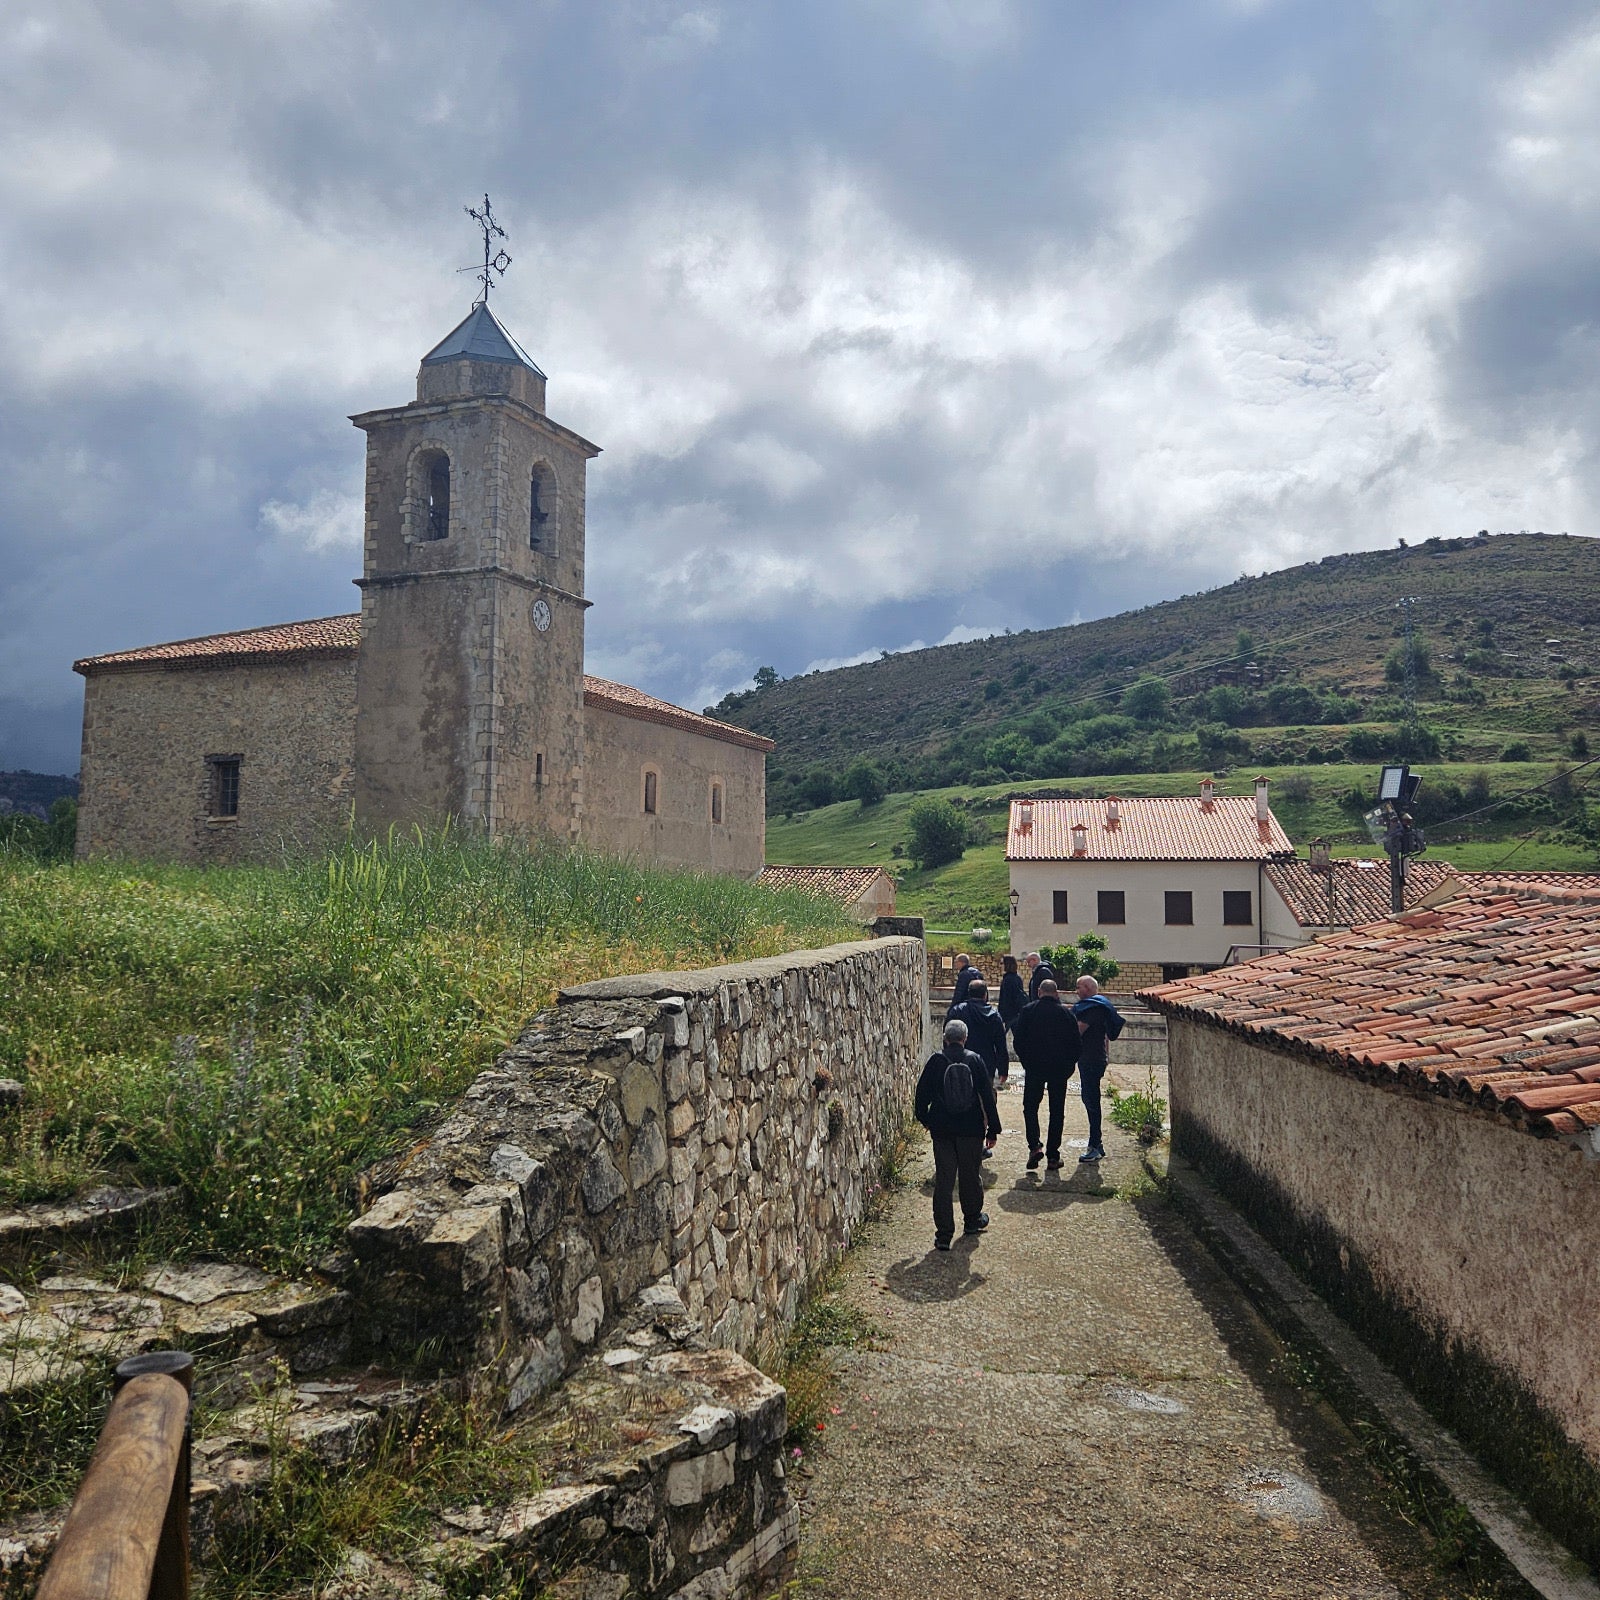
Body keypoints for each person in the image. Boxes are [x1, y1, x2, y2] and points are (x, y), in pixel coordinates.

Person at [913, 1018, 1000, 1250]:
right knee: (970, 1175)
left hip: (943, 1130)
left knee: (944, 1180)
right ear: (965, 1038)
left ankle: (943, 1234)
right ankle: (972, 1221)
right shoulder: (975, 1060)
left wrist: (928, 1121)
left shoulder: (935, 1061)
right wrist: (993, 1129)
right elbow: (987, 1098)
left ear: (945, 1037)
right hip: (971, 1130)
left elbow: (921, 1098)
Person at [1010, 978, 1080, 1171]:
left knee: (1030, 1107)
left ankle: (1034, 1147)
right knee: (1056, 1112)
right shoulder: (1066, 1014)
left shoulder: (1028, 1011)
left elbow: (1018, 1041)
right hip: (1059, 1070)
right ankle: (1053, 1156)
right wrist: (1067, 1067)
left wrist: (1027, 1061)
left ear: (1040, 992)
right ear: (1056, 993)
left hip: (1034, 1068)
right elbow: (1076, 1046)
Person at [1072, 975, 1125, 1162]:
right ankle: (1097, 1144)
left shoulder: (1091, 1008)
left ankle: (1094, 1145)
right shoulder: (1100, 1005)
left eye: (1079, 987)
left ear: (1087, 988)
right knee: (1089, 1099)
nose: (1076, 991)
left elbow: (1077, 1031)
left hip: (1091, 1059)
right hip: (1096, 1058)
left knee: (1091, 1101)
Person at [950, 979, 1010, 1094]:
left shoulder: (957, 1011)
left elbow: (948, 1037)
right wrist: (1003, 1070)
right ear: (985, 994)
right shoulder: (994, 1016)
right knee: (986, 1099)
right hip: (986, 1064)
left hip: (960, 1064)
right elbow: (1001, 1045)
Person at [997, 954, 1026, 1041]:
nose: (1000, 965)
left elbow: (1006, 999)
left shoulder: (1008, 980)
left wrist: (1002, 1013)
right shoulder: (1017, 978)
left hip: (1010, 1014)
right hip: (1016, 1013)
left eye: (1002, 963)